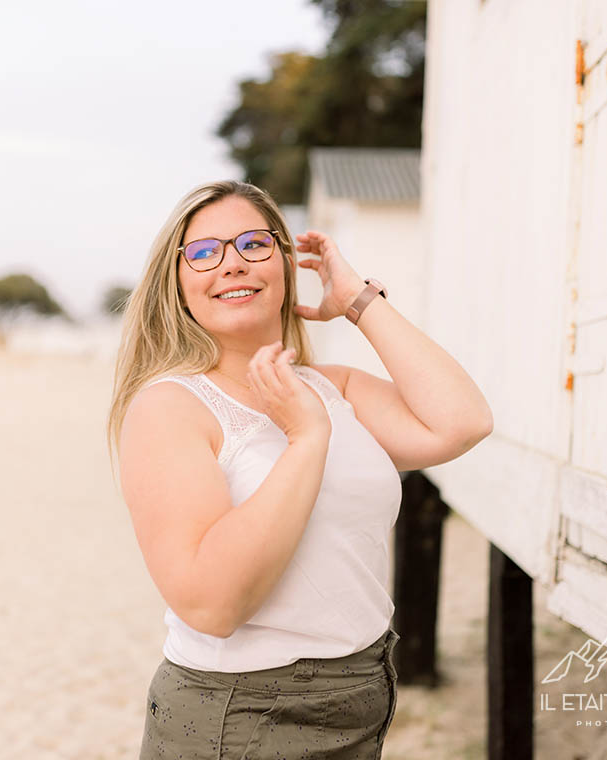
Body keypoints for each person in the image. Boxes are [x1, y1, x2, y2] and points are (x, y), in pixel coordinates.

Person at [106, 180, 492, 759]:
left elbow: (462, 423)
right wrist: (305, 438)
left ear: (287, 266)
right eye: (204, 252)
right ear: (179, 286)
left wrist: (359, 302)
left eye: (254, 244)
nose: (232, 263)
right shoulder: (170, 406)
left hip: (360, 696)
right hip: (243, 715)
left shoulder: (330, 387)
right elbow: (211, 604)